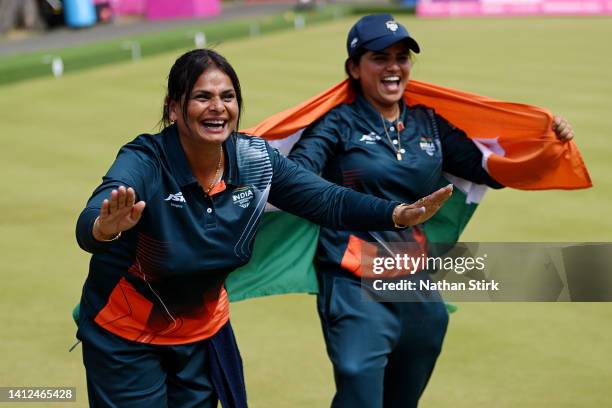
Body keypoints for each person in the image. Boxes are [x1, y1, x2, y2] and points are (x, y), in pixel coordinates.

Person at [74, 48, 453, 408]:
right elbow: (91, 219)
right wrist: (104, 228)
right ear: (174, 108)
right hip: (126, 335)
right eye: (202, 97)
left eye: (228, 96)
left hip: (201, 331)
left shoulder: (254, 160)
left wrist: (395, 214)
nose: (218, 107)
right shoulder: (146, 159)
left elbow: (328, 200)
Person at [288, 14, 575, 408]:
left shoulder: (428, 123)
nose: (393, 67)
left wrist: (545, 144)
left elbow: (487, 168)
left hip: (415, 286)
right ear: (354, 68)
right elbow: (297, 177)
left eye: (401, 57)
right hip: (353, 282)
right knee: (358, 385)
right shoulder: (337, 124)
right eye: (379, 57)